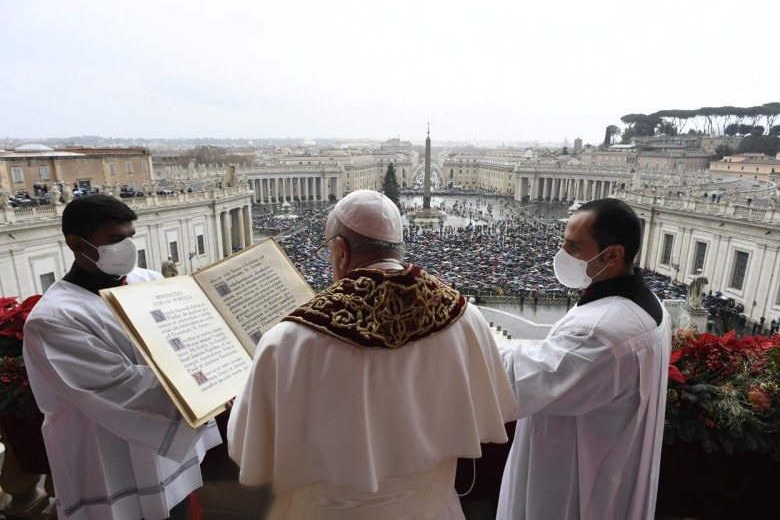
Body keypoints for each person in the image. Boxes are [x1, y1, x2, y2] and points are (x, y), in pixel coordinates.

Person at [227, 189, 516, 519]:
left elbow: (245, 449)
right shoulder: (465, 318)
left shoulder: (289, 340)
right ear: (398, 247)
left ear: (341, 251)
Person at [23, 195, 222, 520]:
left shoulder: (149, 281)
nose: (128, 246)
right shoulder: (54, 319)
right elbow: (122, 388)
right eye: (116, 239)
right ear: (77, 244)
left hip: (165, 451)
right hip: (106, 455)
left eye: (130, 236)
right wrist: (211, 384)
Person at [496, 198, 671, 520]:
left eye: (574, 248)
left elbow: (518, 383)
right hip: (609, 459)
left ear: (614, 255)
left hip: (574, 480)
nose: (562, 256)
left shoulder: (601, 332)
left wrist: (463, 336)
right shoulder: (647, 304)